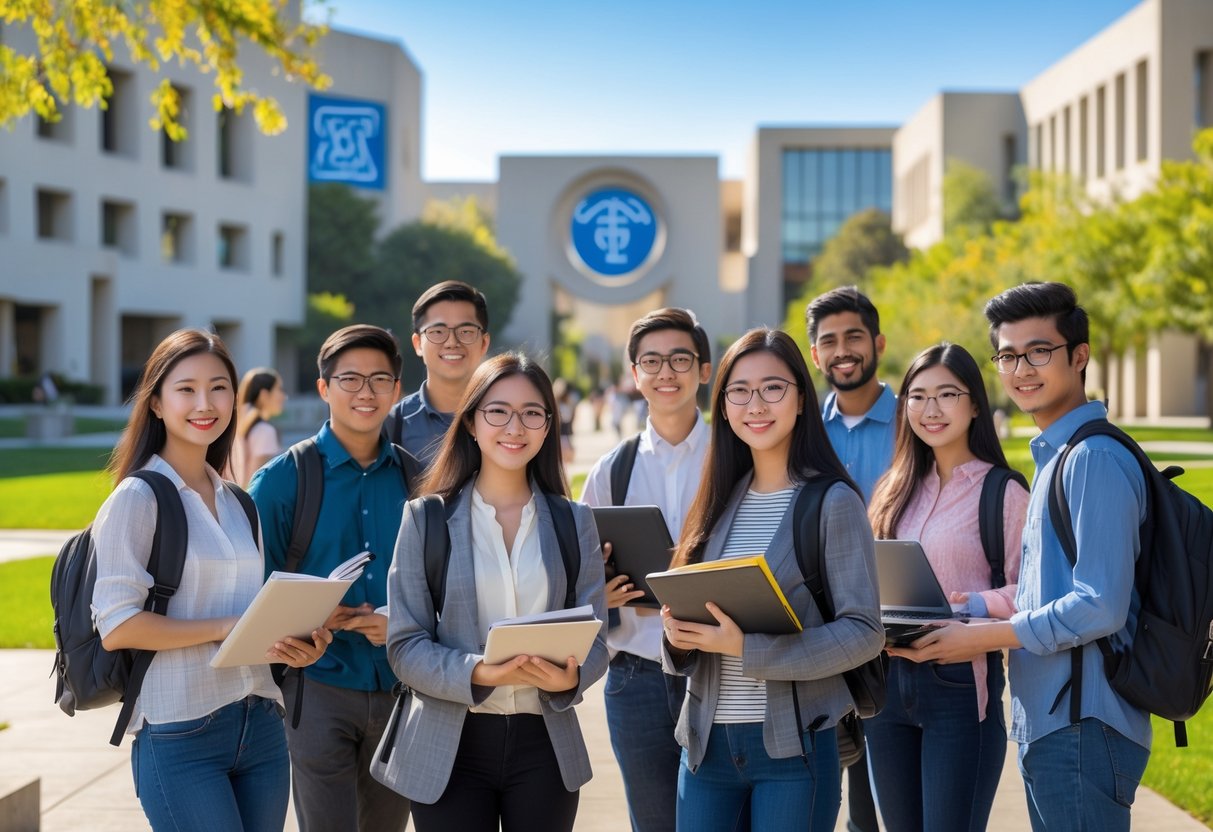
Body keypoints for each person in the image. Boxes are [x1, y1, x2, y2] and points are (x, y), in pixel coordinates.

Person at [892, 282, 1149, 831]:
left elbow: (1099, 605)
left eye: (1039, 352)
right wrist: (979, 607)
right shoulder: (1053, 458)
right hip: (1050, 720)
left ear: (1079, 357)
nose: (1021, 369)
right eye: (1007, 356)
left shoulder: (1092, 459)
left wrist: (982, 635)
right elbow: (1041, 591)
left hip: (1082, 721)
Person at [90, 328, 331, 831]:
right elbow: (118, 627)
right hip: (180, 729)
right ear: (155, 403)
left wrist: (297, 643)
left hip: (262, 725)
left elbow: (250, 614)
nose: (206, 403)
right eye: (186, 389)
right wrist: (225, 626)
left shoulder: (239, 502)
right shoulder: (138, 497)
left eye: (219, 387)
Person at [661, 327, 884, 832]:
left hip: (794, 747)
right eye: (738, 391)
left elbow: (865, 632)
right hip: (705, 747)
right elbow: (690, 629)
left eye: (772, 388)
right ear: (722, 404)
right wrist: (677, 638)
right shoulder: (716, 500)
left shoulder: (833, 502)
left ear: (801, 399)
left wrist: (748, 648)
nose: (754, 404)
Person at [377, 352, 609, 832]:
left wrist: (571, 679)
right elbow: (404, 645)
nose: (514, 426)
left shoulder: (574, 520)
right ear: (472, 423)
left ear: (548, 426)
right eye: (498, 411)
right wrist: (480, 671)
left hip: (544, 742)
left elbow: (597, 638)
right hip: (449, 744)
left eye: (532, 413)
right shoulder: (426, 519)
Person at [249, 324, 413, 832]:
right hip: (316, 686)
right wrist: (310, 617)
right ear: (324, 388)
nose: (366, 392)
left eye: (379, 379)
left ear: (396, 390)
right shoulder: (280, 480)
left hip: (402, 689)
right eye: (350, 379)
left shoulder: (420, 478)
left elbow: (440, 582)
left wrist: (401, 622)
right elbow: (253, 595)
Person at [864, 343, 1029, 832]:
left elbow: (1034, 592)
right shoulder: (893, 489)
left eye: (946, 394)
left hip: (960, 688)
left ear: (974, 403)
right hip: (887, 683)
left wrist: (973, 605)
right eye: (917, 396)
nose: (930, 410)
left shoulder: (1004, 492)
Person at [581, 307, 713, 832]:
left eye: (680, 358)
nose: (666, 372)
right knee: (654, 820)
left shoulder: (738, 456)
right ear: (634, 375)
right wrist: (602, 592)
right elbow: (580, 571)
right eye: (651, 361)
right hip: (635, 672)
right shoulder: (612, 469)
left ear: (704, 370)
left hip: (720, 665)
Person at [805, 284, 894, 832]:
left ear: (878, 343)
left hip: (899, 637)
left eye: (854, 336)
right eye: (829, 340)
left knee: (881, 807)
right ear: (815, 355)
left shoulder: (920, 422)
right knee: (814, 797)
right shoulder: (800, 429)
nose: (842, 350)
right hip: (821, 637)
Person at [382, 280, 491, 463]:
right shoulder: (392, 424)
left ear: (484, 343)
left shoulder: (508, 418)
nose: (451, 342)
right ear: (418, 344)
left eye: (465, 331)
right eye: (438, 331)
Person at [230, 366, 287, 487]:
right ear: (264, 395)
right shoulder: (265, 431)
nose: (284, 396)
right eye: (279, 389)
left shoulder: (237, 422)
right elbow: (254, 482)